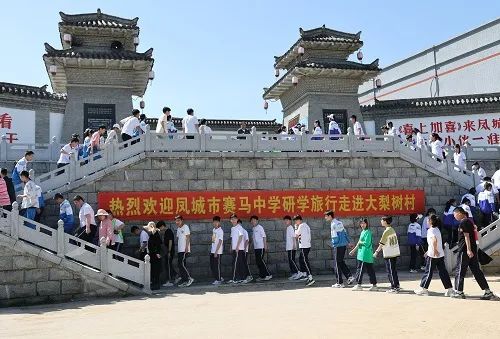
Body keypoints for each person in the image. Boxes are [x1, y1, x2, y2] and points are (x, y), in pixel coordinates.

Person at [451, 207, 493, 300]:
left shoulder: (463, 222)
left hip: (465, 251)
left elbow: (466, 237)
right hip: (472, 250)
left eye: (454, 214)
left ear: (459, 213)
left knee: (460, 271)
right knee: (476, 271)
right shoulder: (470, 221)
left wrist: (468, 250)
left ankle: (459, 292)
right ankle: (487, 291)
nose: (454, 216)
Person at [414, 215, 453, 297]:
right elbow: (435, 242)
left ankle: (424, 289)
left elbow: (434, 240)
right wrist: (428, 251)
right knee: (443, 272)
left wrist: (434, 251)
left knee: (428, 272)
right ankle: (449, 289)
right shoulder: (437, 229)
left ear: (431, 222)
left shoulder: (431, 230)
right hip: (439, 254)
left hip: (433, 255)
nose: (427, 222)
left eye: (428, 220)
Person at [324, 210, 354, 288]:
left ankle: (339, 282)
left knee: (336, 263)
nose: (325, 218)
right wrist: (348, 242)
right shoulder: (339, 222)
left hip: (338, 246)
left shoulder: (333, 224)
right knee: (340, 262)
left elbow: (335, 237)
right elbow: (345, 233)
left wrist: (334, 244)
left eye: (326, 216)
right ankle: (349, 276)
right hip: (343, 245)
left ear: (330, 216)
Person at [373, 216, 401, 293]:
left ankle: (394, 287)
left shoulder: (386, 231)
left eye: (382, 220)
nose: (381, 221)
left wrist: (376, 252)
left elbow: (381, 244)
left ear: (385, 221)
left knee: (390, 271)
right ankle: (396, 285)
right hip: (394, 253)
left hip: (389, 254)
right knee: (393, 270)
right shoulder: (392, 229)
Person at [349, 218, 377, 291]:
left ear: (367, 224)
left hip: (365, 255)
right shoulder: (363, 232)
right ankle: (374, 285)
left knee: (360, 269)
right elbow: (359, 242)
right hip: (363, 254)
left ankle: (358, 285)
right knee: (370, 270)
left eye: (364, 223)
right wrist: (354, 250)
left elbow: (366, 243)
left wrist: (361, 243)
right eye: (361, 223)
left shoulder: (368, 232)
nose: (362, 225)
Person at [293, 215, 315, 286]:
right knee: (301, 259)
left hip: (304, 246)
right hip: (306, 246)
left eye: (296, 220)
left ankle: (310, 277)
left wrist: (295, 228)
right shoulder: (306, 226)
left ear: (299, 220)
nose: (295, 222)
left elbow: (296, 235)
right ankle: (306, 275)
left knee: (305, 261)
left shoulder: (301, 226)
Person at [250, 215, 272, 281]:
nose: (253, 221)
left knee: (261, 261)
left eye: (254, 220)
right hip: (256, 248)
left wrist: (265, 246)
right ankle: (262, 276)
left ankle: (268, 274)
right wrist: (250, 246)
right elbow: (253, 238)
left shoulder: (260, 227)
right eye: (252, 220)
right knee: (258, 262)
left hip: (261, 247)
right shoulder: (253, 228)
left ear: (257, 221)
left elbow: (264, 237)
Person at [175, 215, 194, 287]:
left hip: (184, 249)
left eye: (178, 220)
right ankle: (184, 280)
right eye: (176, 221)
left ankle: (189, 278)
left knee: (181, 264)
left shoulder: (185, 227)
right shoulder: (178, 229)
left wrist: (186, 247)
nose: (177, 222)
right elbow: (178, 239)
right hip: (180, 250)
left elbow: (188, 237)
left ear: (182, 220)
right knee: (181, 265)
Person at [159, 221, 179, 287]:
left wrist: (169, 251)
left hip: (169, 251)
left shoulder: (168, 231)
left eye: (160, 228)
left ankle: (169, 281)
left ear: (162, 226)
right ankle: (176, 276)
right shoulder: (166, 232)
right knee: (168, 265)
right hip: (167, 251)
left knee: (168, 265)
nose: (160, 229)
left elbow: (170, 241)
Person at [229, 214, 246, 284]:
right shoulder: (232, 228)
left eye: (235, 219)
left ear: (237, 219)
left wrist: (237, 247)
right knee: (238, 264)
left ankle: (235, 278)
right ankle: (241, 278)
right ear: (230, 220)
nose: (233, 220)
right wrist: (231, 247)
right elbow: (232, 239)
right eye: (232, 219)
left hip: (238, 249)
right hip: (234, 248)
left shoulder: (239, 227)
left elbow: (241, 237)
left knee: (236, 264)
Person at [145, 221, 162, 290]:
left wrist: (157, 253)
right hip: (152, 254)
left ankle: (156, 285)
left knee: (156, 270)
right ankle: (154, 283)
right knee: (153, 270)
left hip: (155, 255)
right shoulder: (152, 234)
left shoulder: (156, 234)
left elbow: (158, 244)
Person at [283, 215, 299, 280]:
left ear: (290, 221)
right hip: (289, 247)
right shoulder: (288, 228)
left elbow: (293, 237)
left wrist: (294, 245)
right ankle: (294, 273)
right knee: (290, 261)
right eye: (284, 221)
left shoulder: (290, 228)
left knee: (292, 260)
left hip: (292, 247)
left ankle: (298, 272)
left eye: (287, 220)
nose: (285, 222)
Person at [210, 216, 224, 285]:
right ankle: (220, 277)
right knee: (213, 266)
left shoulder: (220, 231)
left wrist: (216, 251)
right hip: (213, 251)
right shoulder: (214, 230)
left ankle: (218, 280)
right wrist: (212, 250)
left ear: (219, 222)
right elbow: (213, 241)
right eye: (214, 222)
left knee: (217, 266)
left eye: (217, 222)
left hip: (217, 252)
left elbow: (220, 241)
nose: (215, 223)